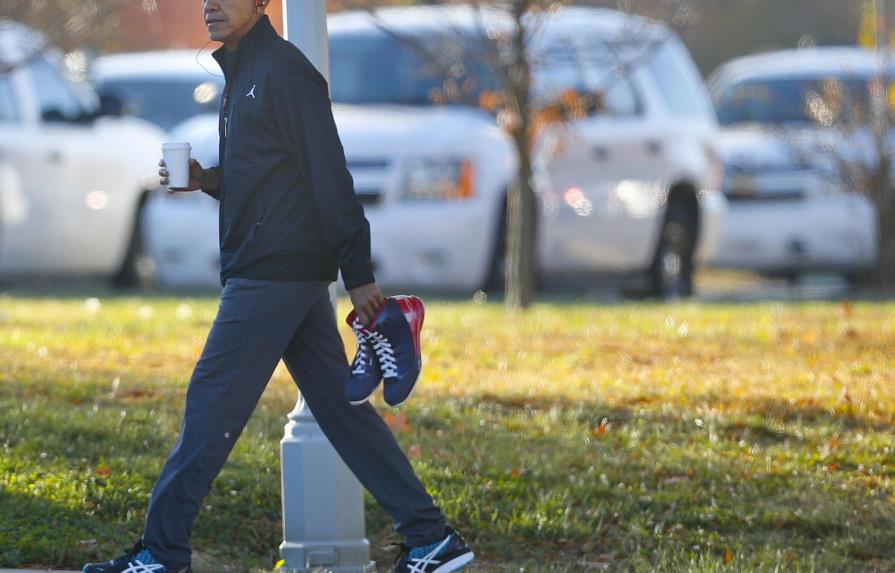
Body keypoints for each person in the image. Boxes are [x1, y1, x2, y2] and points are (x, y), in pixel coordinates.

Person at [82, 1, 474, 572]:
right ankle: (431, 539)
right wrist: (207, 180)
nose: (211, 5)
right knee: (342, 412)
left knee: (210, 404)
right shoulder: (244, 72)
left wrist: (359, 274)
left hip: (273, 274)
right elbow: (269, 179)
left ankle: (162, 553)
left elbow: (329, 173)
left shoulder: (286, 73)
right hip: (277, 270)